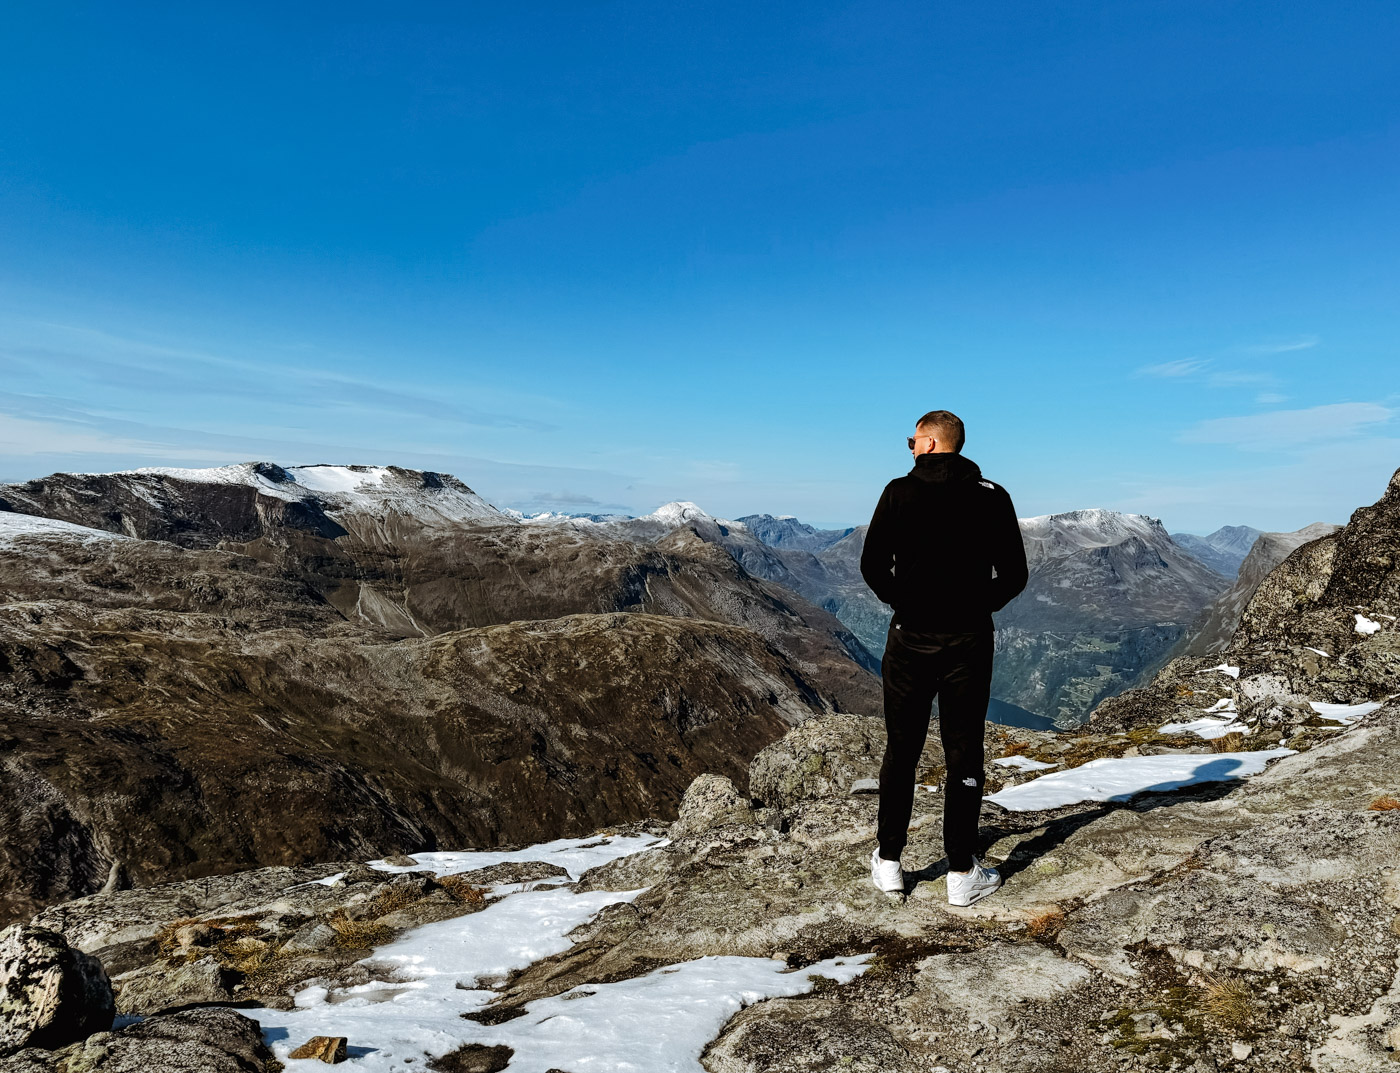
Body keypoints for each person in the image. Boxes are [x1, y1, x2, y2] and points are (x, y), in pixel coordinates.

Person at [860, 409, 1028, 906]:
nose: (909, 447)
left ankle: (890, 862)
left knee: (902, 748)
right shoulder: (993, 496)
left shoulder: (898, 491)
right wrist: (977, 605)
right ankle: (960, 872)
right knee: (963, 749)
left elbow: (872, 565)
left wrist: (904, 601)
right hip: (969, 641)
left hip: (910, 637)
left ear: (930, 444)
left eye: (912, 440)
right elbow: (1014, 575)